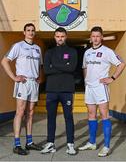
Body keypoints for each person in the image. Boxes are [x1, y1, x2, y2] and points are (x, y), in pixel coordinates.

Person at [78, 26, 125, 157]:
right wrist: (87, 80)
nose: (95, 38)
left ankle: (106, 146)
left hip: (101, 88)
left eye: (98, 36)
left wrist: (112, 78)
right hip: (90, 87)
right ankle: (92, 143)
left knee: (104, 114)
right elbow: (84, 67)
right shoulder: (87, 52)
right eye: (93, 36)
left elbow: (121, 63)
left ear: (102, 37)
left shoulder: (107, 51)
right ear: (91, 38)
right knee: (91, 114)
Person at [1, 23, 43, 155]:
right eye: (28, 30)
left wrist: (40, 77)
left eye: (32, 30)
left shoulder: (37, 48)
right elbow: (4, 61)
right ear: (24, 32)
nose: (30, 32)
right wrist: (14, 77)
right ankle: (17, 144)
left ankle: (29, 142)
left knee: (30, 113)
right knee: (20, 112)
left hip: (33, 83)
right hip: (23, 83)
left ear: (34, 33)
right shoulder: (18, 46)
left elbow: (40, 66)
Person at [41, 27, 77, 155]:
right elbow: (46, 70)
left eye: (62, 36)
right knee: (51, 117)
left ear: (66, 37)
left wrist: (54, 65)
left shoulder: (72, 51)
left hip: (67, 90)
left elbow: (72, 67)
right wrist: (64, 66)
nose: (60, 38)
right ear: (54, 37)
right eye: (57, 36)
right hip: (51, 90)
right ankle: (50, 143)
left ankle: (70, 144)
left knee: (68, 117)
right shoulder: (49, 52)